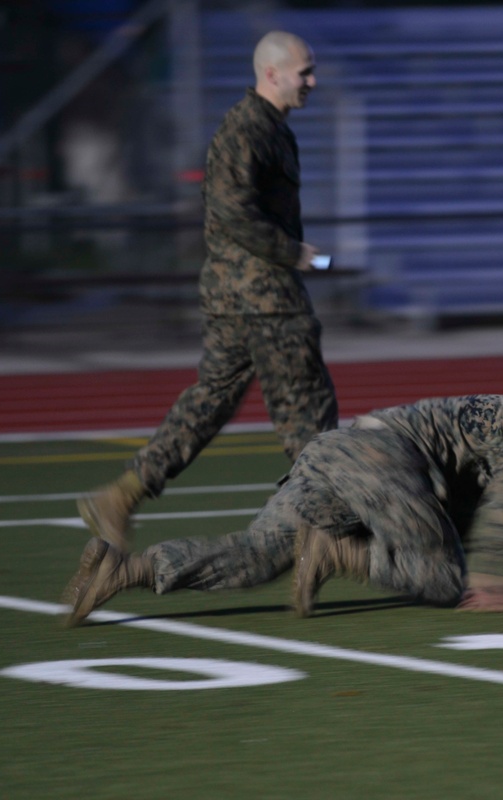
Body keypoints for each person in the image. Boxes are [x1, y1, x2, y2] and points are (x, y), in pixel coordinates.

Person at [61, 359, 503, 625]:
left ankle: (124, 570)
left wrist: (450, 544)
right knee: (444, 580)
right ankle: (333, 552)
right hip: (381, 462)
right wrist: (495, 577)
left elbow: (461, 509)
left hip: (335, 451)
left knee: (256, 557)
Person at [76, 31, 338, 553]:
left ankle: (121, 496)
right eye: (304, 71)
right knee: (309, 412)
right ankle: (332, 529)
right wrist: (292, 252)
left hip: (235, 295)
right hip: (264, 297)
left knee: (209, 403)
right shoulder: (248, 129)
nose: (313, 80)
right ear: (271, 74)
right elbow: (231, 208)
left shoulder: (270, 129)